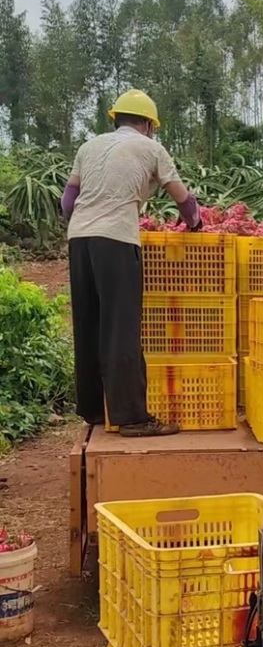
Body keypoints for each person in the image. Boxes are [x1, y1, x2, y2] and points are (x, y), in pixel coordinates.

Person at [60, 89, 202, 437]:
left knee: (88, 323)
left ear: (117, 119)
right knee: (120, 327)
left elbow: (68, 200)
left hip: (80, 240)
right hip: (117, 241)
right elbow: (182, 197)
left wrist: (83, 226)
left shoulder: (88, 147)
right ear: (148, 125)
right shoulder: (152, 149)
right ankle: (132, 417)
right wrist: (195, 223)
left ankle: (94, 409)